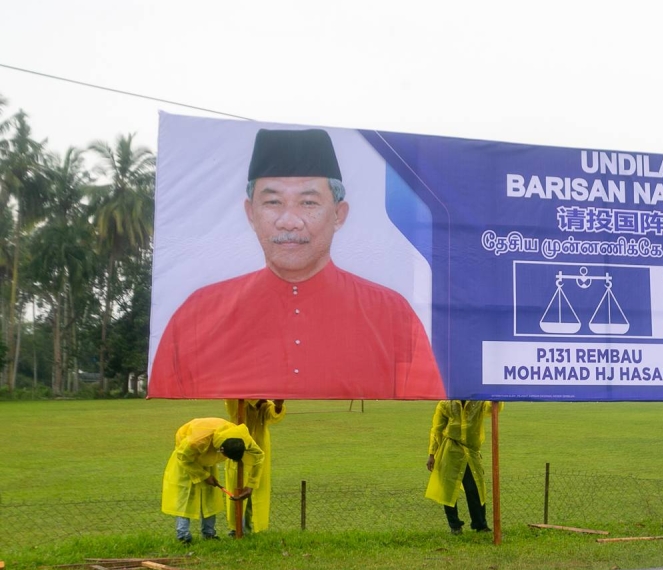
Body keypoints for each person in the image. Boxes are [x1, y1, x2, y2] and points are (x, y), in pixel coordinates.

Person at [149, 128, 446, 401]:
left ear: (339, 215)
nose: (289, 221)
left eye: (308, 203)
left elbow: (421, 414)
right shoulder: (197, 316)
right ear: (251, 214)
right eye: (273, 202)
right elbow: (162, 426)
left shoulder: (393, 315)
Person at [161, 417, 264, 544]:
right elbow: (182, 457)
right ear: (221, 450)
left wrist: (251, 485)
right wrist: (204, 475)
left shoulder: (244, 439)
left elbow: (259, 456)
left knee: (210, 496)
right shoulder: (197, 441)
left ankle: (209, 534)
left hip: (208, 459)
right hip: (188, 460)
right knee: (186, 496)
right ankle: (183, 536)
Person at [425, 400, 501, 535]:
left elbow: (492, 409)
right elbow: (437, 429)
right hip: (450, 451)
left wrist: (496, 396)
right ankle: (454, 526)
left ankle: (480, 525)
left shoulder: (479, 402)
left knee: (474, 488)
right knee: (448, 489)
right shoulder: (445, 404)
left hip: (471, 452)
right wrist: (432, 454)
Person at [224, 399, 285, 533]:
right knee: (237, 487)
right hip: (239, 450)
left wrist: (279, 406)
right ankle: (236, 529)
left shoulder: (264, 405)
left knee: (255, 489)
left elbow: (273, 415)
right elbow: (230, 402)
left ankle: (248, 528)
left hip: (259, 450)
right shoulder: (238, 403)